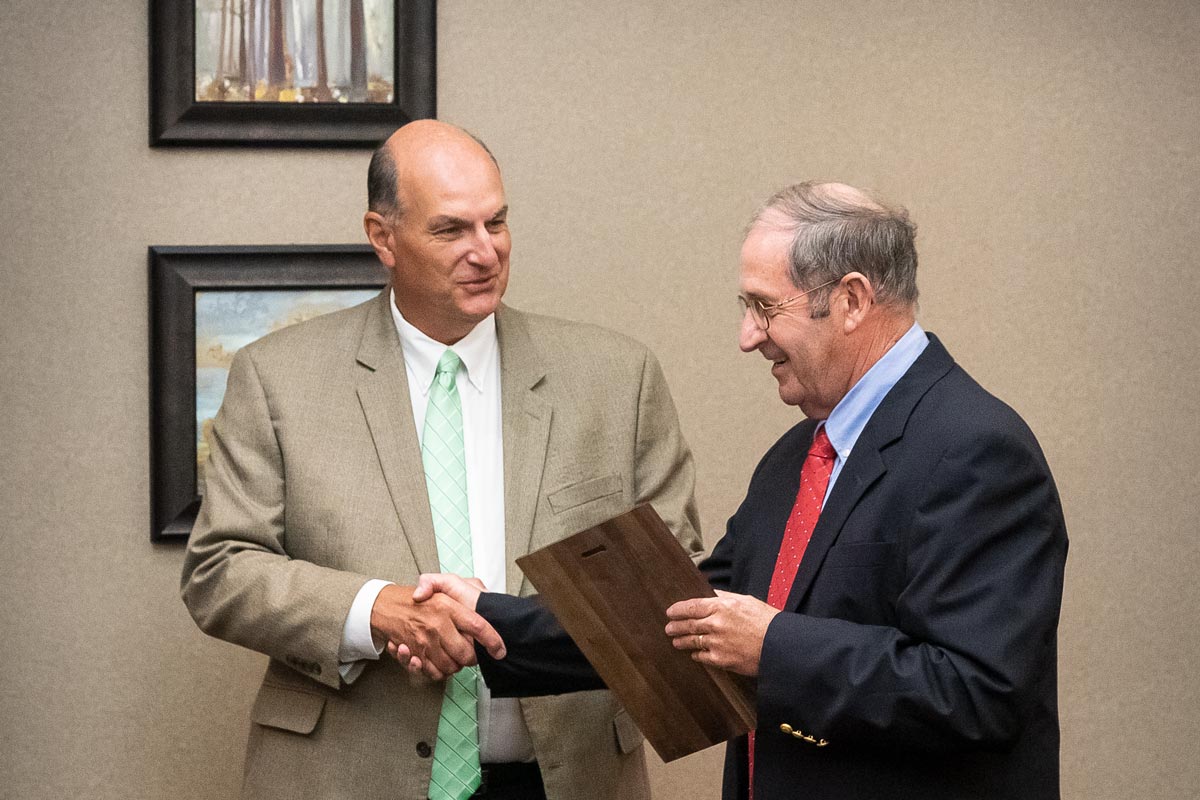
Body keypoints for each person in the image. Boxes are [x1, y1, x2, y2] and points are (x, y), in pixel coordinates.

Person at [412, 181, 1068, 800]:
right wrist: (488, 618)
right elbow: (683, 611)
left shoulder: (976, 449)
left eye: (764, 307)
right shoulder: (798, 454)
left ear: (852, 301)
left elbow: (979, 693)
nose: (747, 337)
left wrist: (773, 646)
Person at [180, 120, 702, 800]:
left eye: (498, 223)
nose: (485, 252)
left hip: (568, 777)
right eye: (452, 230)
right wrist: (376, 610)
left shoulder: (616, 377)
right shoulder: (277, 379)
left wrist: (534, 633)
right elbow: (221, 571)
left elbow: (677, 573)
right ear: (382, 237)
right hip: (345, 776)